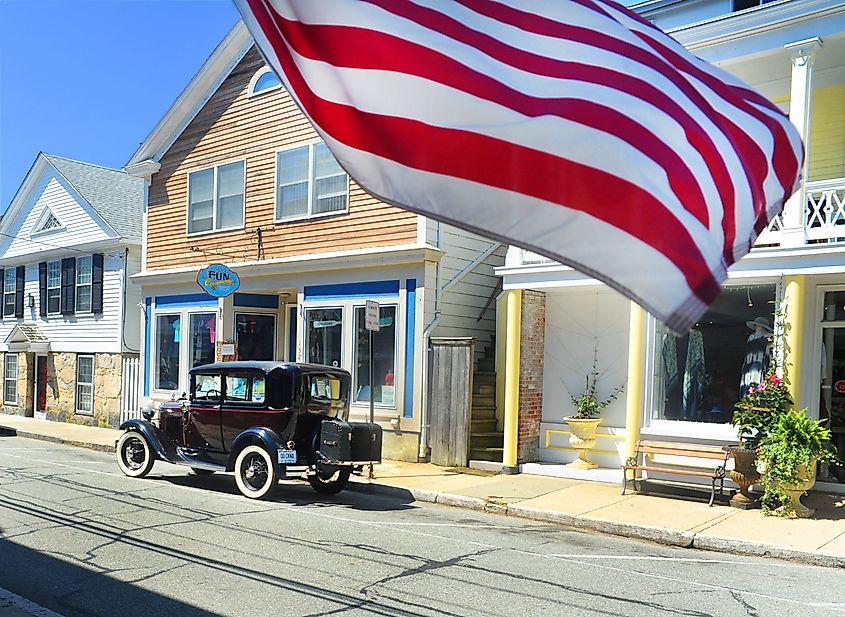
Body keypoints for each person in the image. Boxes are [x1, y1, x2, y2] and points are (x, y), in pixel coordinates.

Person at [739, 316, 772, 397]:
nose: (757, 327)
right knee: (748, 381)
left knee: (757, 379)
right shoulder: (751, 336)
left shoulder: (768, 336)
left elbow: (768, 351)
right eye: (756, 325)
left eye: (758, 325)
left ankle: (756, 398)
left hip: (760, 361)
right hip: (749, 362)